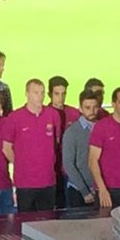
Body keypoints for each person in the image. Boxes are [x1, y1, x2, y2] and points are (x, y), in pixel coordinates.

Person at [2, 78, 60, 213]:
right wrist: (21, 163)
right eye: (36, 93)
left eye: (42, 93)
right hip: (25, 182)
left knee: (47, 219)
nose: (40, 96)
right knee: (26, 219)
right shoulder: (15, 117)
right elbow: (6, 148)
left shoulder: (53, 115)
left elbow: (55, 142)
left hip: (48, 180)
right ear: (27, 93)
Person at [60, 90, 100, 208]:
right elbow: (68, 164)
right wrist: (84, 191)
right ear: (80, 109)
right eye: (87, 108)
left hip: (99, 189)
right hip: (78, 191)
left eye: (95, 107)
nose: (92, 111)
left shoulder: (102, 129)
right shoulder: (72, 132)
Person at [47, 76, 81, 207]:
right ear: (50, 94)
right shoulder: (44, 114)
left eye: (63, 94)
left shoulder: (74, 113)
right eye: (57, 94)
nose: (60, 98)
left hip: (69, 167)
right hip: (51, 167)